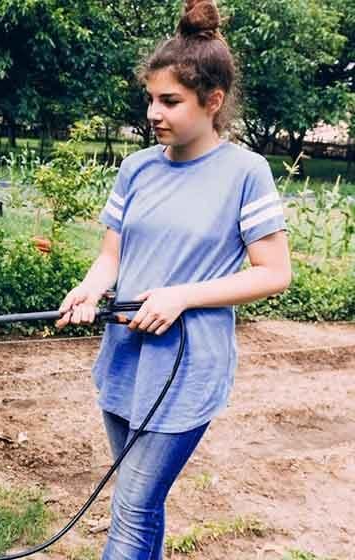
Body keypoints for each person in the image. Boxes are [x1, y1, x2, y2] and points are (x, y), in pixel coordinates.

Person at [55, 1, 292, 558]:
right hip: (125, 356)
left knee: (133, 506)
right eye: (150, 99)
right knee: (141, 503)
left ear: (212, 102)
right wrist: (90, 290)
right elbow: (111, 256)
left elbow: (275, 273)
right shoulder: (137, 167)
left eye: (170, 101)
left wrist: (183, 296)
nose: (153, 113)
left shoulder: (245, 173)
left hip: (187, 368)